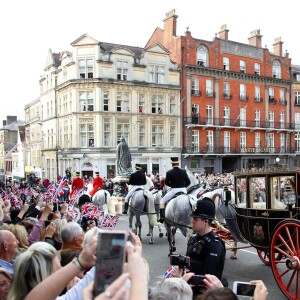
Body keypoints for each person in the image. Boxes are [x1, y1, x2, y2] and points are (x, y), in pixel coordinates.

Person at [186, 197, 226, 296]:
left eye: (196, 219)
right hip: (190, 288)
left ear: (206, 221)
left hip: (205, 294)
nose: (192, 221)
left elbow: (208, 276)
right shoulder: (193, 238)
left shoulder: (214, 245)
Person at [158, 157, 191, 223]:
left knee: (162, 201)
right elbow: (188, 182)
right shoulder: (183, 171)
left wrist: (172, 185)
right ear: (178, 163)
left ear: (172, 164)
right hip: (183, 190)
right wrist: (183, 186)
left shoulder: (169, 172)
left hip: (174, 190)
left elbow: (166, 182)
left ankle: (162, 217)